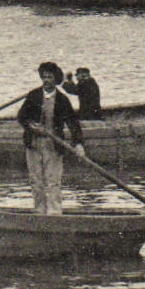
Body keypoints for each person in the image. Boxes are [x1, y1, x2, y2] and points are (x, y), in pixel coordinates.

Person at [16, 61, 84, 215]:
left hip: (53, 146)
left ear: (55, 79)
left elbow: (73, 123)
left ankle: (54, 214)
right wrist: (30, 126)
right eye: (44, 77)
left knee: (53, 182)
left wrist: (78, 143)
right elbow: (21, 117)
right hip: (33, 145)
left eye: (50, 77)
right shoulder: (33, 96)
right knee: (37, 182)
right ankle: (39, 212)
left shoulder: (62, 99)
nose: (46, 80)